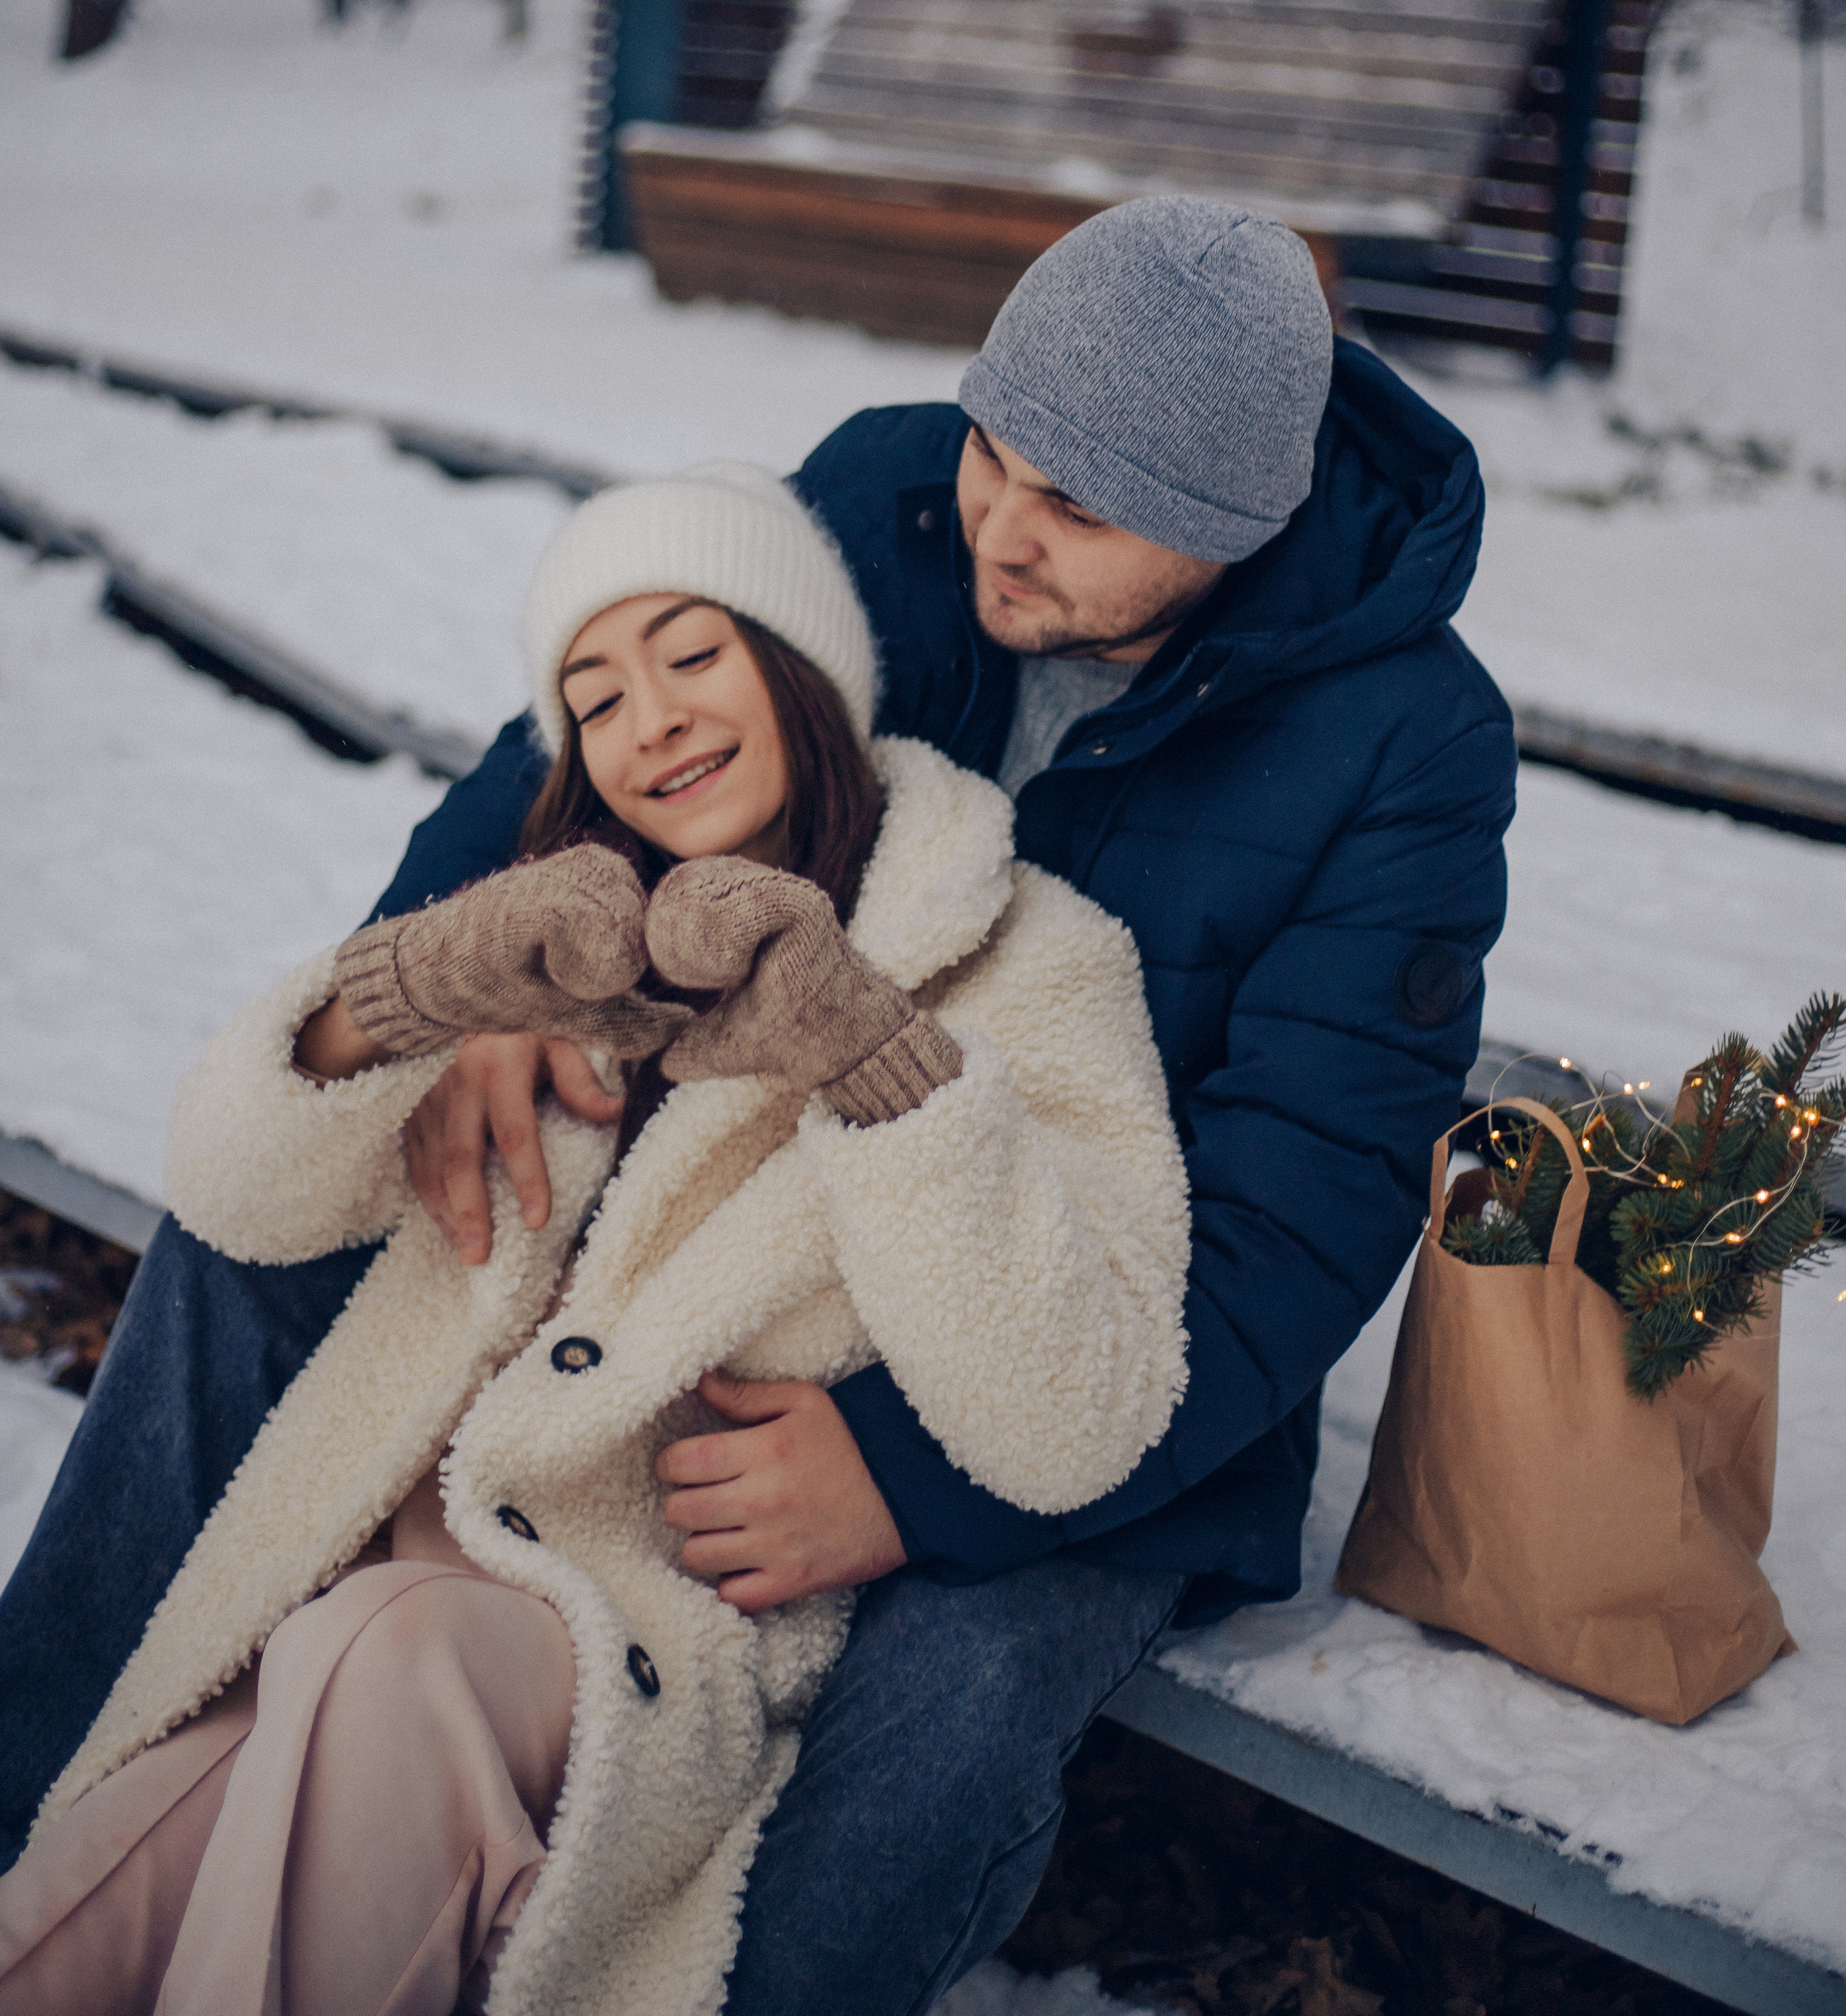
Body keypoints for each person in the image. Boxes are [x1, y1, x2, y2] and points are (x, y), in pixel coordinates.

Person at [0, 197, 1518, 2016]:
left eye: (1077, 514)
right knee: (263, 1244)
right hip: (716, 1209)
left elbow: (1299, 1220)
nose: (1000, 533)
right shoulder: (882, 501)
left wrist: (909, 1484)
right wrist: (469, 981)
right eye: (994, 453)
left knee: (954, 1693)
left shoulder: (1402, 745)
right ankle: (41, 1782)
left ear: (1234, 532)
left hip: (1085, 1341)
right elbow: (574, 753)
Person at [0, 462, 1189, 2014]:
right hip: (316, 1610)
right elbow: (234, 1197)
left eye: (695, 657)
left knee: (389, 1650)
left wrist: (870, 1056)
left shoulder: (1024, 961)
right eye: (596, 696)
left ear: (801, 671)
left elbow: (1069, 1420)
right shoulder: (556, 929)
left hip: (618, 1652)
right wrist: (414, 988)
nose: (656, 722)